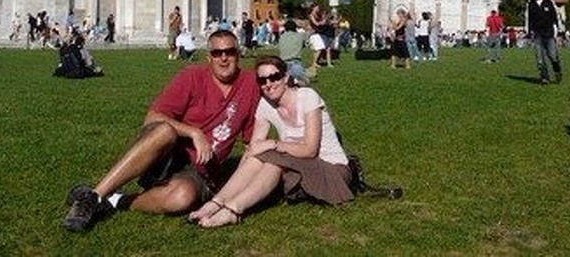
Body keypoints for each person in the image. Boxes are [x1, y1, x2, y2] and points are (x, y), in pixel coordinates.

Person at [62, 29, 260, 232]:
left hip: (200, 172)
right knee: (164, 130)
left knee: (182, 198)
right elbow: (152, 118)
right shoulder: (192, 76)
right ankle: (94, 196)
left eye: (230, 52)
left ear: (239, 53)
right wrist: (194, 133)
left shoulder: (250, 84)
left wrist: (235, 192)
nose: (224, 58)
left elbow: (251, 143)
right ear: (209, 58)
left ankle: (115, 200)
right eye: (217, 53)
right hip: (167, 156)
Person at [187, 55, 354, 227]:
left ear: (286, 77)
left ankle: (233, 210)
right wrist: (242, 174)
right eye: (262, 80)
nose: (269, 84)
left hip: (332, 170)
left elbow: (310, 150)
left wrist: (275, 144)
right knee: (264, 154)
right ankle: (216, 203)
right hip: (300, 167)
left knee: (274, 156)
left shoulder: (307, 97)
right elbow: (254, 149)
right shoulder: (265, 105)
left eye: (274, 77)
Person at [525, 0, 562, 84]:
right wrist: (528, 32)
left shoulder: (549, 2)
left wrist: (558, 33)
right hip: (537, 34)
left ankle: (557, 71)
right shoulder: (530, 4)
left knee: (552, 56)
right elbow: (528, 19)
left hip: (549, 34)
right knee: (540, 59)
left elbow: (556, 18)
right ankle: (544, 77)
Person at [278, 19, 308, 86]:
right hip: (296, 63)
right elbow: (305, 44)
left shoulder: (282, 37)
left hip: (283, 64)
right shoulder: (300, 36)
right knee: (304, 85)